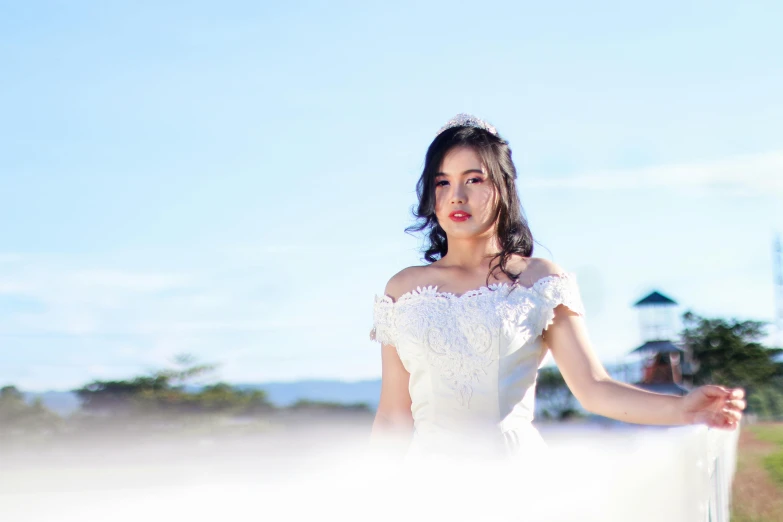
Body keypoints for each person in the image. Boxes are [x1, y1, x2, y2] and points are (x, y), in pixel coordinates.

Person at [368, 113, 746, 464]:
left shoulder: (539, 281)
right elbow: (392, 417)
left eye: (474, 179)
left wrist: (683, 409)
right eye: (442, 181)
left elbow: (594, 388)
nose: (456, 196)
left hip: (513, 476)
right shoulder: (403, 290)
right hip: (428, 483)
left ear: (503, 186)